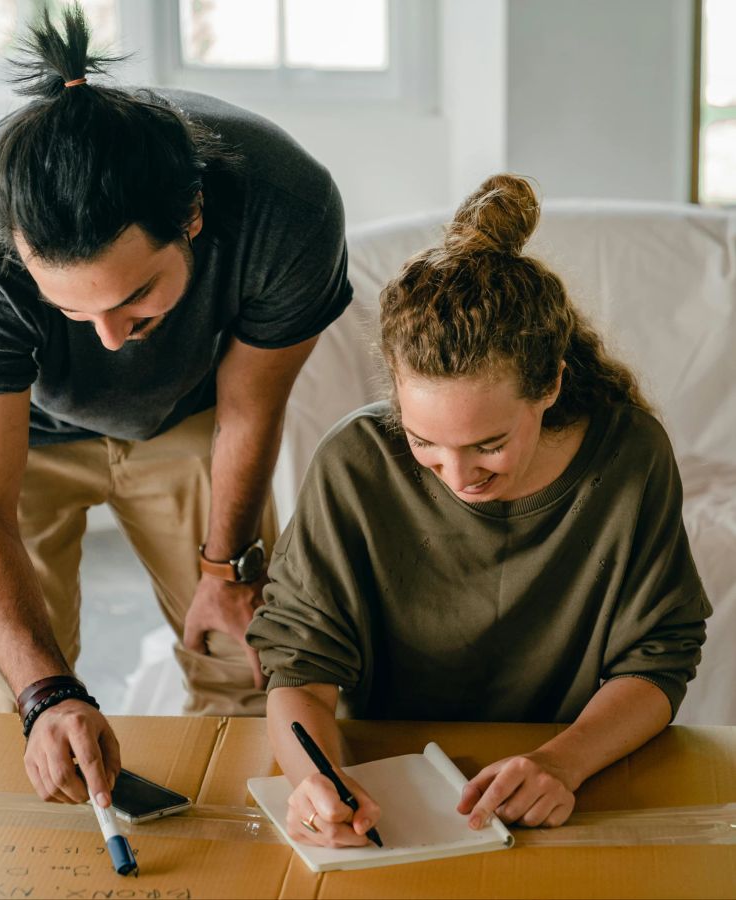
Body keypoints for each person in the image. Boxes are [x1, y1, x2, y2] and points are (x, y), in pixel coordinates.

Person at [0, 5, 352, 810]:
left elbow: (250, 411)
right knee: (22, 701)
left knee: (244, 661)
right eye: (74, 312)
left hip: (187, 413)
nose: (109, 340)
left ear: (191, 217)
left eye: (136, 298)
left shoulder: (290, 208)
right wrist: (47, 694)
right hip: (11, 431)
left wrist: (225, 567)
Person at [246, 174, 711, 848]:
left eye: (489, 445)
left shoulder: (629, 456)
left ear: (549, 382)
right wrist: (312, 781)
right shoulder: (353, 463)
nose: (458, 477)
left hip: (564, 784)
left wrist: (562, 762)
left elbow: (657, 661)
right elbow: (301, 671)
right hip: (384, 789)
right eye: (423, 442)